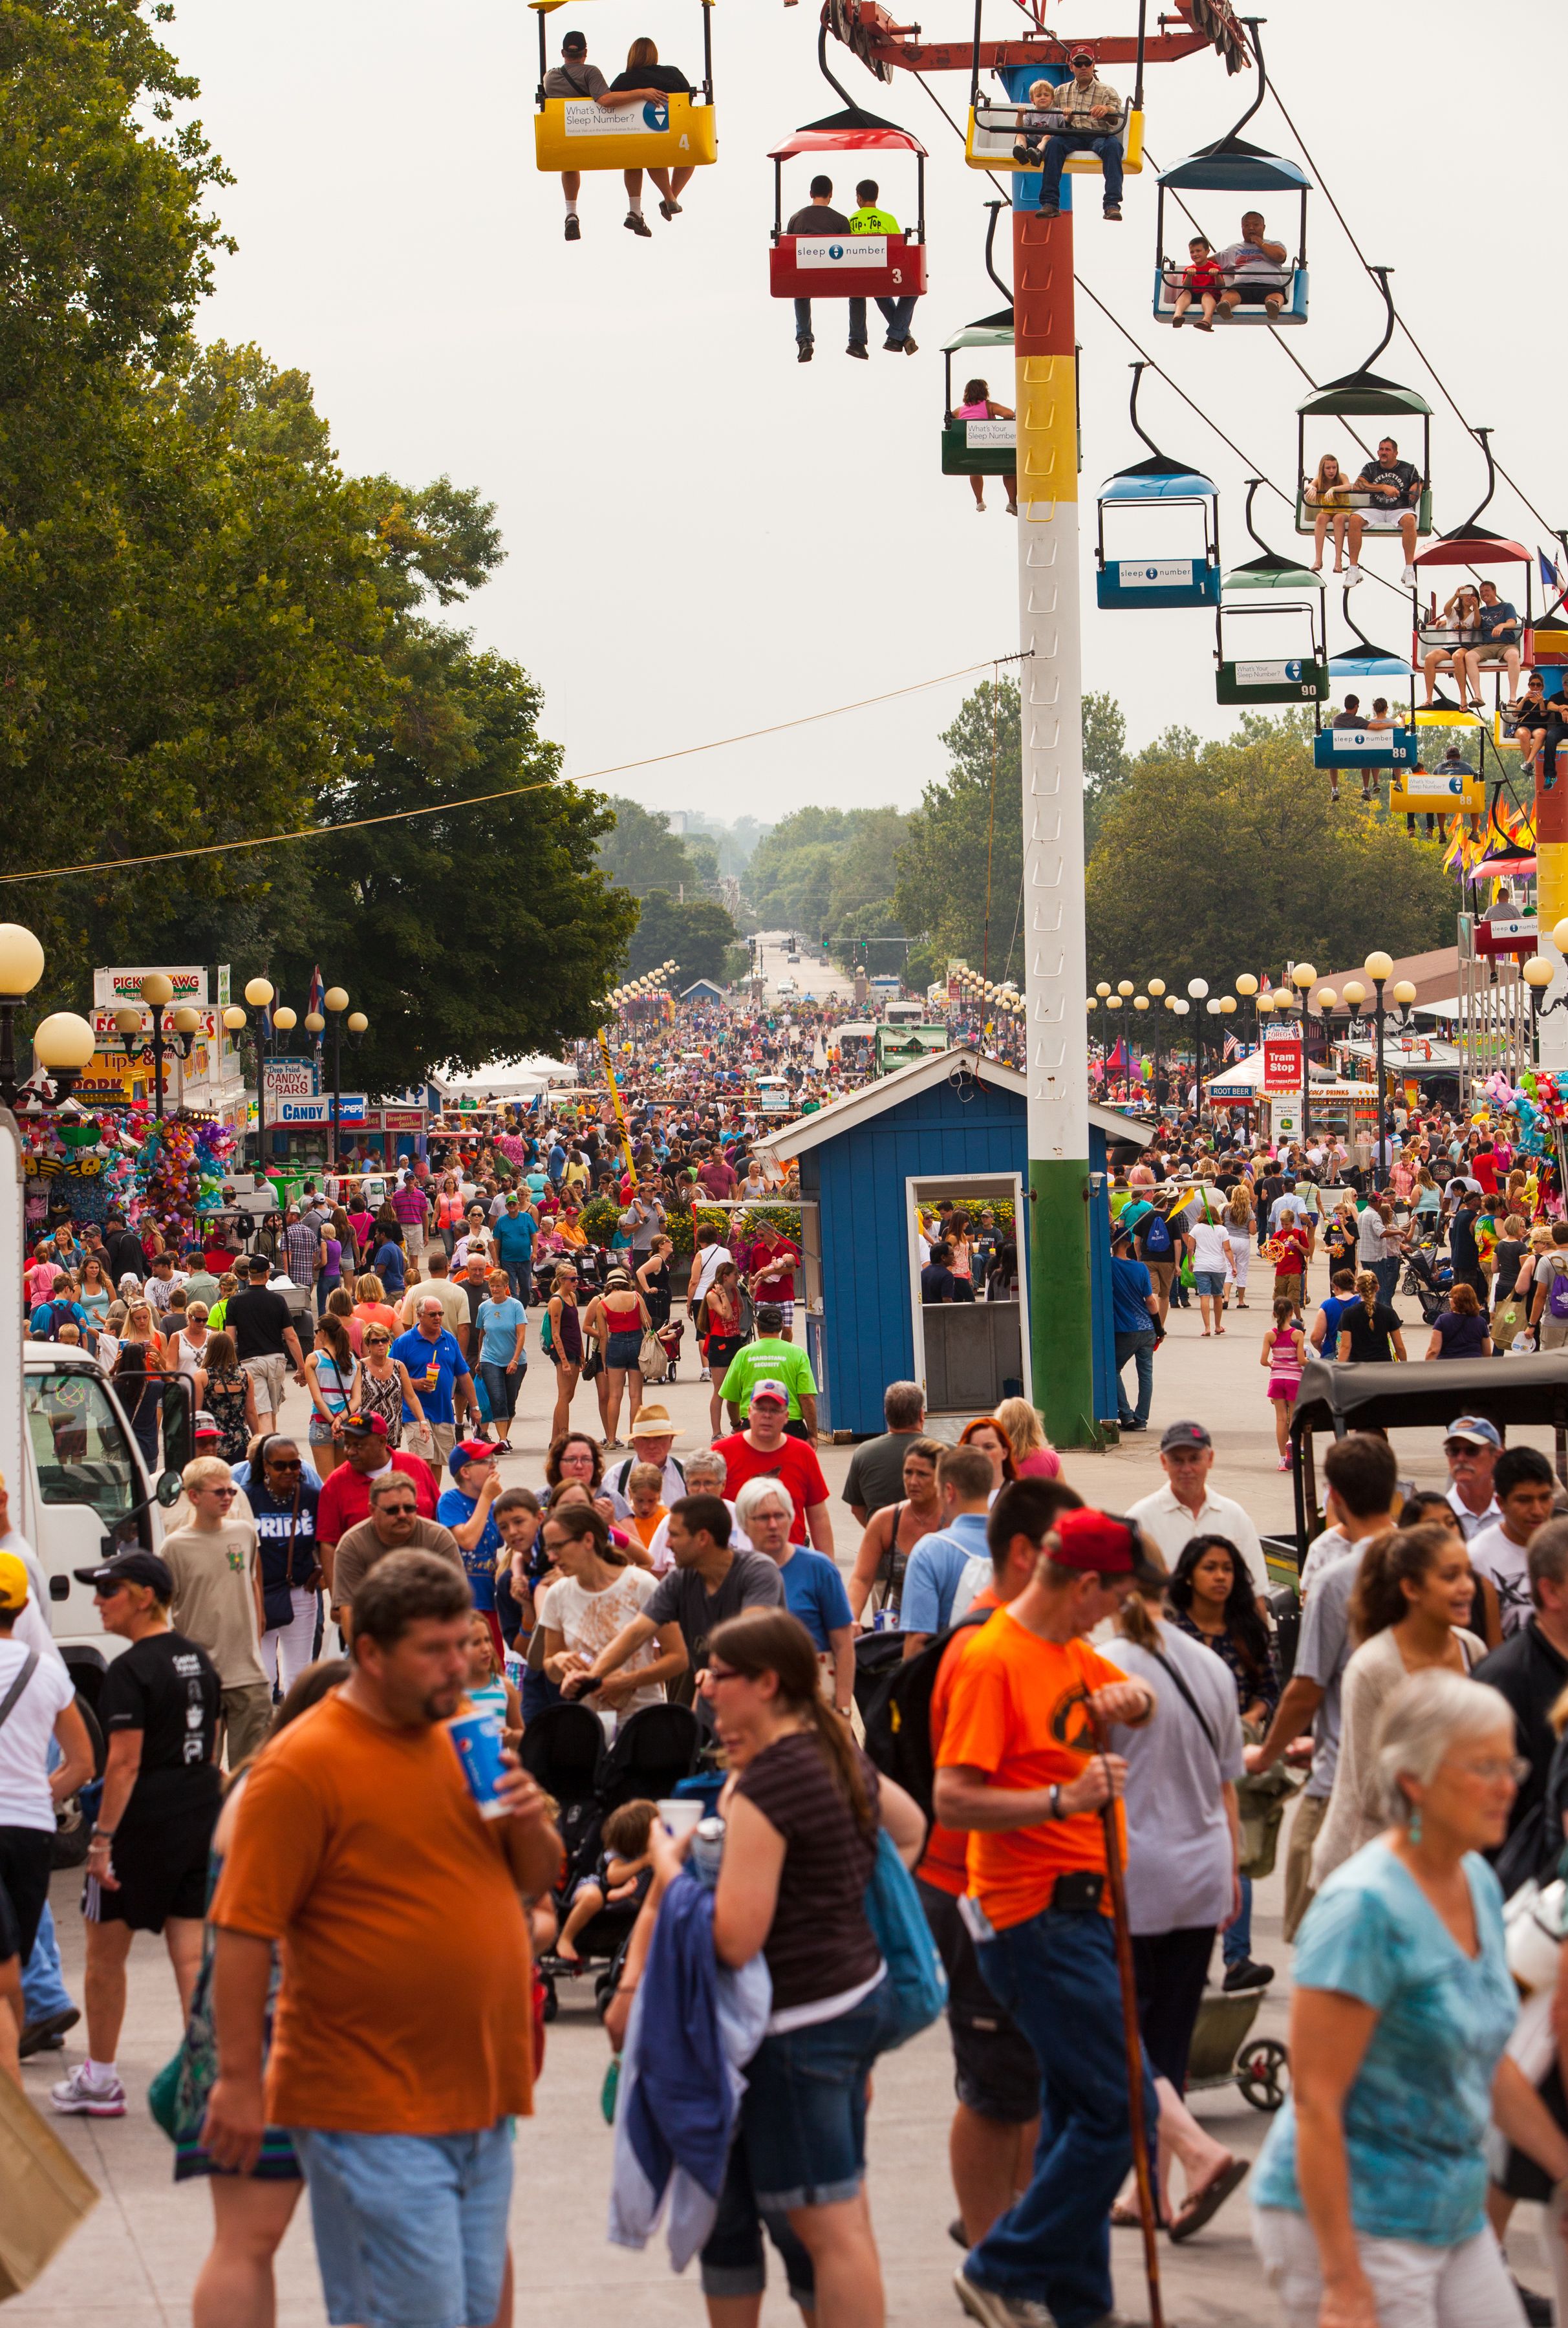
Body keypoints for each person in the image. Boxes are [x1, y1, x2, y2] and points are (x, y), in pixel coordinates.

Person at [203, 1553, 561, 2328]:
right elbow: (240, 1930)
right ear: (369, 1653)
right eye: (434, 1652)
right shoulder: (301, 1767)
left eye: (463, 1647)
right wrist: (236, 2080)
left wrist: (529, 1821)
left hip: (479, 2097)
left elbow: (530, 1884)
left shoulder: (461, 1739)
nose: (457, 1667)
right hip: (365, 2102)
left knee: (468, 2314)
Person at [1251, 1670, 1568, 2328]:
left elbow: (1487, 2058)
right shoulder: (1363, 1908)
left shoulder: (1476, 1880)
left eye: (1509, 1762)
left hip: (1448, 2211)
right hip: (1356, 2217)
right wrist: (1341, 2278)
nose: (1509, 1784)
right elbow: (1315, 2104)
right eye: (1482, 1767)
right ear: (1412, 1779)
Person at [936, 1505, 1161, 2328]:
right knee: (1121, 2110)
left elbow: (1130, 1709)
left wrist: (1133, 1700)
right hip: (1034, 1914)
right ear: (1084, 1584)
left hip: (1084, 1911)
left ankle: (1080, 2301)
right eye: (1112, 1599)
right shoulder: (994, 1657)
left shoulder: (1068, 1651)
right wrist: (1066, 1797)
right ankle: (1003, 2266)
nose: (1112, 1617)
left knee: (1077, 2113)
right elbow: (954, 1797)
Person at [1104, 1552, 1252, 2239]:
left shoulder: (1099, 1666)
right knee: (1167, 2040)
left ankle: (1179, 2169)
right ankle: (1151, 2189)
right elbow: (1227, 1783)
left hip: (1130, 1874)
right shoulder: (1212, 1668)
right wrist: (1230, 1871)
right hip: (1200, 1867)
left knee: (1120, 2039)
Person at [50, 1548, 220, 2118]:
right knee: (190, 1953)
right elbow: (212, 1744)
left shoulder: (130, 1670)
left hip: (141, 1823)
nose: (97, 1602)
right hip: (199, 1813)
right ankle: (207, 2079)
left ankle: (100, 2079)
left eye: (108, 1590)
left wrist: (100, 1842)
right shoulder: (198, 1659)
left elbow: (122, 1764)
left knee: (103, 1955)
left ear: (146, 1596)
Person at [1245, 1432, 1402, 1941]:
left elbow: (1307, 1688)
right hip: (1420, 1781)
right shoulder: (1435, 1559)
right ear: (1392, 1492)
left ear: (1333, 1495)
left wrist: (1266, 1753)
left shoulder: (1339, 1578)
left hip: (1346, 1785)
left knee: (1315, 1932)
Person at [1310, 1524, 1487, 1889]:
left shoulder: (1472, 1650)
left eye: (1468, 1573)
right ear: (1411, 1589)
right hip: (1369, 1866)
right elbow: (1373, 1791)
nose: (1467, 1586)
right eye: (1450, 1576)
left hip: (1443, 1854)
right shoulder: (1373, 1668)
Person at [1167, 1533, 1280, 1992]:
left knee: (1235, 1853)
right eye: (1210, 1568)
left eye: (1226, 1569)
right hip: (1180, 1756)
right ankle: (1183, 1959)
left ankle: (1237, 1960)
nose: (1219, 1577)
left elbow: (1268, 1689)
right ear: (1189, 1575)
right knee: (1184, 1857)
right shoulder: (1172, 1632)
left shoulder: (1246, 1627)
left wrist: (1248, 1720)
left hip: (1234, 1754)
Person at [560, 1493, 784, 1719]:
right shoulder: (680, 1580)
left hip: (767, 1705)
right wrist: (593, 1677)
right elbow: (636, 1632)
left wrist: (715, 1671)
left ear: (703, 1538)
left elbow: (749, 1632)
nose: (667, 1544)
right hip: (714, 1700)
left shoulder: (758, 1571)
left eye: (675, 1535)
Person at [0, 1553, 93, 2082]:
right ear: (22, 1605)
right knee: (14, 1942)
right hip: (32, 1831)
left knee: (4, 1958)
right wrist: (41, 1794)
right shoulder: (48, 1674)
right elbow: (82, 1764)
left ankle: (11, 2079)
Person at [159, 1457, 272, 1766]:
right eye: (219, 1493)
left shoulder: (243, 1534)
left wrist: (258, 1625)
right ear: (193, 1496)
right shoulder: (173, 1547)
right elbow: (163, 1611)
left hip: (248, 1674)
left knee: (250, 1773)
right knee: (200, 1772)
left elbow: (252, 1582)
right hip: (198, 1675)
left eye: (231, 1492)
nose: (227, 1498)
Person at [539, 1500, 678, 1714]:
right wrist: (558, 1662)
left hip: (644, 1721)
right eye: (549, 1548)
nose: (551, 1557)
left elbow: (678, 1658)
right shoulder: (557, 1595)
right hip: (590, 1726)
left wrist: (626, 1681)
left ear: (587, 1540)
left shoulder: (640, 1584)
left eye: (558, 1547)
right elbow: (550, 1668)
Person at [732, 1476, 854, 1717]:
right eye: (763, 1518)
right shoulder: (734, 1573)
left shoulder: (818, 1568)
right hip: (756, 1700)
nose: (774, 1525)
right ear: (744, 1524)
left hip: (814, 1697)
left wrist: (843, 1709)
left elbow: (844, 1644)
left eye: (780, 1515)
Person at [1128, 1419, 1268, 1597]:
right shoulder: (1141, 1520)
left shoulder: (1234, 1517)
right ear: (1164, 1462)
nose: (1187, 1469)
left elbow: (1256, 1593)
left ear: (1210, 1459)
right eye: (1177, 1460)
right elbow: (1127, 1602)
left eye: (1194, 1459)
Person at [897, 1445, 1006, 1654]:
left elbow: (918, 1640)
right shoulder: (1019, 1546)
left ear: (948, 1491)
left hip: (956, 1677)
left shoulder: (930, 1552)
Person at [316, 1414, 439, 1591]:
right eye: (347, 1444)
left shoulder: (416, 1466)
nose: (350, 1451)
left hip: (422, 1591)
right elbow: (327, 1543)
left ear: (382, 1442)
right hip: (366, 1598)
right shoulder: (336, 1483)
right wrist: (338, 1599)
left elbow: (438, 1520)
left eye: (358, 1445)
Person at [329, 1473, 464, 1635]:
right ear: (372, 1510)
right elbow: (349, 1613)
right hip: (375, 1635)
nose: (402, 1515)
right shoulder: (352, 1545)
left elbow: (458, 1601)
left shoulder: (438, 1538)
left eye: (409, 1508)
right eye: (392, 1510)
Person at [247, 1436, 325, 1696]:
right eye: (280, 1466)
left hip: (300, 1593)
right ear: (266, 1466)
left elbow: (326, 1540)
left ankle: (293, 1732)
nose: (289, 1471)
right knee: (263, 1675)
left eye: (294, 1465)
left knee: (299, 1674)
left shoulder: (312, 1497)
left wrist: (321, 1575)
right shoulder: (248, 1498)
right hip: (260, 1596)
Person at [715, 1381, 833, 1548]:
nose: (767, 1415)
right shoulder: (721, 1453)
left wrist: (827, 1567)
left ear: (786, 1416)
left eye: (775, 1410)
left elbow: (819, 1517)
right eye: (761, 1409)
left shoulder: (803, 1454)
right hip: (737, 1565)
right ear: (749, 1412)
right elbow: (706, 1512)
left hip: (791, 1561)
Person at [846, 1436, 945, 1626]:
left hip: (944, 1629)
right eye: (908, 1472)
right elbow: (861, 1579)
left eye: (922, 1474)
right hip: (896, 1631)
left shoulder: (952, 1521)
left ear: (940, 1477)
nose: (913, 1481)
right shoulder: (885, 1521)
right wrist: (852, 1619)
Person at [1015, 52, 1124, 222]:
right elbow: (1043, 107)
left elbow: (1115, 115)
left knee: (1113, 147)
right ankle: (1050, 203)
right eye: (1078, 64)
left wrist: (1106, 110)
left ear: (1093, 65)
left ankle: (1112, 204)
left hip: (1097, 134)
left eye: (1086, 63)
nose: (1083, 68)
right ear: (1071, 67)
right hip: (1071, 134)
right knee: (1055, 144)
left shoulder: (1106, 91)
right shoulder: (1060, 92)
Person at [1467, 1445, 1557, 1641]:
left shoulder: (1563, 1546)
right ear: (1501, 1503)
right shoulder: (1476, 1557)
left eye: (1544, 1498)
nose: (1538, 1510)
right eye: (1524, 1500)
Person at [552, 1796, 656, 1964]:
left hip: (627, 1900)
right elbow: (613, 1877)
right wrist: (642, 1863)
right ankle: (566, 1938)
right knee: (593, 1898)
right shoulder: (621, 1854)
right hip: (597, 1888)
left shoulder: (655, 1853)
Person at [435, 1440, 506, 1660]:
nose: (493, 1466)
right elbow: (467, 1540)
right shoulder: (450, 1500)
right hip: (461, 1605)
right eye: (486, 1462)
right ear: (465, 1471)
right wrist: (486, 1498)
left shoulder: (493, 1508)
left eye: (494, 1460)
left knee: (493, 1667)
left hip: (489, 1601)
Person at [391, 1292, 478, 1469]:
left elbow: (463, 1375)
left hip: (443, 1411)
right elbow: (391, 1375)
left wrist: (475, 1407)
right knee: (424, 1460)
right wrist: (414, 1383)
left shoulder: (449, 1340)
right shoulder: (404, 1342)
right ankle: (423, 1496)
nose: (438, 1318)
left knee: (438, 1463)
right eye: (432, 1315)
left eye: (440, 1314)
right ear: (420, 1316)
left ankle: (433, 1497)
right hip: (416, 1414)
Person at [224, 1256, 306, 1436]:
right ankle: (270, 1447)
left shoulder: (235, 1302)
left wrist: (229, 1366)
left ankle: (265, 1450)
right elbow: (291, 1337)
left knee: (263, 1411)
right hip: (275, 1360)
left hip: (251, 1361)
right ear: (267, 1274)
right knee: (271, 1410)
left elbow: (229, 1338)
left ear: (248, 1275)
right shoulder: (278, 1300)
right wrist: (301, 1366)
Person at [785, 173, 862, 363]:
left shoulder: (796, 219)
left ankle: (804, 339)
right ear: (831, 194)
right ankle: (857, 342)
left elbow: (788, 253)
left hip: (806, 277)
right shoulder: (841, 220)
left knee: (800, 290)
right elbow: (849, 254)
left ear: (811, 193)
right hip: (835, 278)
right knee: (858, 292)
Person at [844, 177, 918, 355]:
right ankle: (897, 336)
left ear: (859, 198)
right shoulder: (888, 219)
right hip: (884, 276)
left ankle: (901, 336)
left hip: (860, 278)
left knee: (879, 292)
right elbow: (900, 250)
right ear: (876, 197)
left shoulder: (849, 221)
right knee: (912, 290)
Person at [1344, 435, 1424, 588]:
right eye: (1381, 449)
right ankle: (1353, 569)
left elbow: (1420, 481)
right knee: (1354, 519)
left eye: (1387, 450)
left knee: (1409, 520)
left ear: (1395, 453)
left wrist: (1417, 487)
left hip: (1399, 509)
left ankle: (1409, 570)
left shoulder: (1408, 468)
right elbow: (1360, 484)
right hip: (1375, 508)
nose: (1383, 453)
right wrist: (1382, 487)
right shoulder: (1370, 467)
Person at [843, 1381, 928, 1522]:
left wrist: (879, 1534)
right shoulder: (948, 1452)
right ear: (921, 1415)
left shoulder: (864, 1454)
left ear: (886, 1413)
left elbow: (857, 1508)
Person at [1107, 1220, 1158, 1434]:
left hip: (1125, 1329)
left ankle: (1126, 1415)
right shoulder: (1141, 1268)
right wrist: (1160, 1329)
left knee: (1113, 1370)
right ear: (1128, 1244)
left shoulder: (1109, 1266)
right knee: (1145, 1375)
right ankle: (1141, 1420)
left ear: (1113, 1243)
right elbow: (1151, 1301)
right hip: (1148, 1329)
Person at [473, 1269, 526, 1454]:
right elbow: (482, 1334)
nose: (495, 1289)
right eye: (492, 1285)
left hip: (515, 1360)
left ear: (506, 1287)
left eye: (499, 1286)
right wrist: (480, 1358)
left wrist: (515, 1360)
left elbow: (521, 1336)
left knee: (510, 1401)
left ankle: (505, 1436)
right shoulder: (484, 1307)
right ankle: (502, 1440)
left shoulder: (515, 1306)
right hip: (490, 1359)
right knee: (497, 1398)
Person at [954, 378, 1016, 514]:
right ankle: (1012, 502)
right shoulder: (989, 406)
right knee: (1009, 469)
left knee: (974, 469)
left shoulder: (960, 411)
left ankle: (979, 501)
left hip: (971, 452)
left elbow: (951, 418)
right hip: (991, 450)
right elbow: (1009, 414)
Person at [1262, 1293, 1307, 1471]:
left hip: (1277, 1379)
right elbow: (1302, 1361)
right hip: (1294, 1379)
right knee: (1295, 1418)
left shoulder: (1270, 1335)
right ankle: (1294, 1446)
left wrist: (1273, 1364)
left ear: (1274, 1314)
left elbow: (1263, 1360)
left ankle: (1282, 1459)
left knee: (1281, 1419)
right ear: (1291, 1314)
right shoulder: (1297, 1335)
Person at [1216, 208, 1289, 318]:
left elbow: (1280, 256)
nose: (1251, 228)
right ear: (1242, 228)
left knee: (1276, 294)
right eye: (1246, 225)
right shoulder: (1234, 248)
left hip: (1269, 286)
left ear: (1263, 227)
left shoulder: (1275, 244)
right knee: (1232, 293)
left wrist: (1261, 244)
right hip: (1243, 286)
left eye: (1256, 225)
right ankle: (1225, 306)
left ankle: (1274, 306)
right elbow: (1206, 261)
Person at [543, 1258, 585, 1441]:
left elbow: (576, 1326)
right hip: (563, 1351)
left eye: (577, 1278)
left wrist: (582, 1353)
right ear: (561, 1280)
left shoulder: (572, 1297)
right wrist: (564, 1361)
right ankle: (564, 1435)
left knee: (568, 1396)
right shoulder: (556, 1301)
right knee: (564, 1395)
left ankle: (554, 1439)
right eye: (572, 1279)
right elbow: (555, 1333)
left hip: (574, 1348)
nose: (576, 1282)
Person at [1467, 576, 1525, 704]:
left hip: (1506, 645)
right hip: (1487, 646)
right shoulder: (1481, 611)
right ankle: (1478, 696)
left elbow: (1512, 622)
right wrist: (1476, 608)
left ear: (1494, 592)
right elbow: (1476, 625)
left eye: (1487, 590)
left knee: (1514, 655)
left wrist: (1502, 625)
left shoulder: (1507, 606)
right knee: (1470, 656)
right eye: (1481, 592)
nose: (1484, 594)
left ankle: (1513, 697)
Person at [1444, 1415, 1503, 1540]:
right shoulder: (1439, 1515)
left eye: (1472, 1451)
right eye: (1454, 1451)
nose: (1461, 1458)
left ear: (1496, 1457)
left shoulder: (1512, 1513)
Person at [1335, 1268, 1408, 1364]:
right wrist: (1405, 1365)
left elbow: (1345, 1346)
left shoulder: (1349, 1314)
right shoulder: (1389, 1313)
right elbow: (1399, 1346)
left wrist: (1339, 1369)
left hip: (1358, 1367)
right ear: (1377, 1288)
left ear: (1357, 1289)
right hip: (1384, 1367)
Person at [1304, 452, 1351, 576]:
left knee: (1338, 519)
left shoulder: (1341, 477)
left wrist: (1333, 489)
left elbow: (1348, 486)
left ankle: (1338, 561)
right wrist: (1312, 488)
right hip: (1327, 511)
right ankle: (1318, 560)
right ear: (1323, 469)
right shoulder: (1319, 480)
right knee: (1320, 517)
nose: (1332, 471)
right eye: (1328, 468)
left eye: (1334, 468)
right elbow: (1309, 486)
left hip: (1343, 511)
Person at [1425, 1278, 1492, 1360]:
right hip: (1473, 1366)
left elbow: (1433, 1351)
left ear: (1455, 1301)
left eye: (1450, 1297)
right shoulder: (1481, 1322)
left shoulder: (1443, 1320)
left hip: (1448, 1365)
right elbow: (1487, 1353)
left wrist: (1426, 1370)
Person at [1171, 233, 1221, 331]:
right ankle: (1177, 316)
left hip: (1209, 295)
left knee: (1206, 294)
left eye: (1198, 251)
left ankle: (1207, 319)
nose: (1195, 254)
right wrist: (1189, 275)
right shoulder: (1188, 269)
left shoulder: (1215, 268)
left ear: (1207, 252)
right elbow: (1186, 286)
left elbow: (1220, 286)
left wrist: (1217, 275)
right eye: (1192, 252)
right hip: (1193, 295)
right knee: (1186, 293)